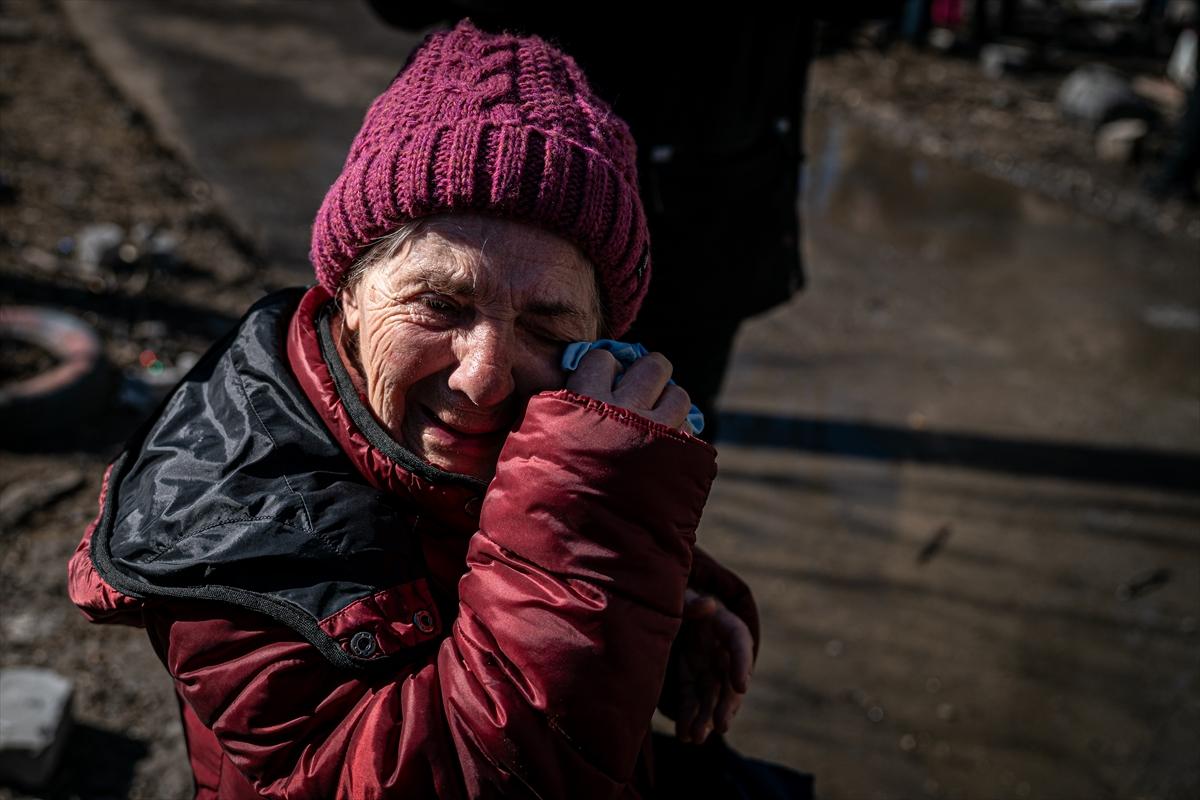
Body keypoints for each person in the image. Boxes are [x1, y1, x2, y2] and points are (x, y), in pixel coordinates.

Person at [68, 20, 799, 799]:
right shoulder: (224, 530)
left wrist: (638, 600)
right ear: (347, 291)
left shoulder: (521, 439)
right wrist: (593, 524)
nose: (483, 380)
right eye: (440, 304)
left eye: (547, 327)